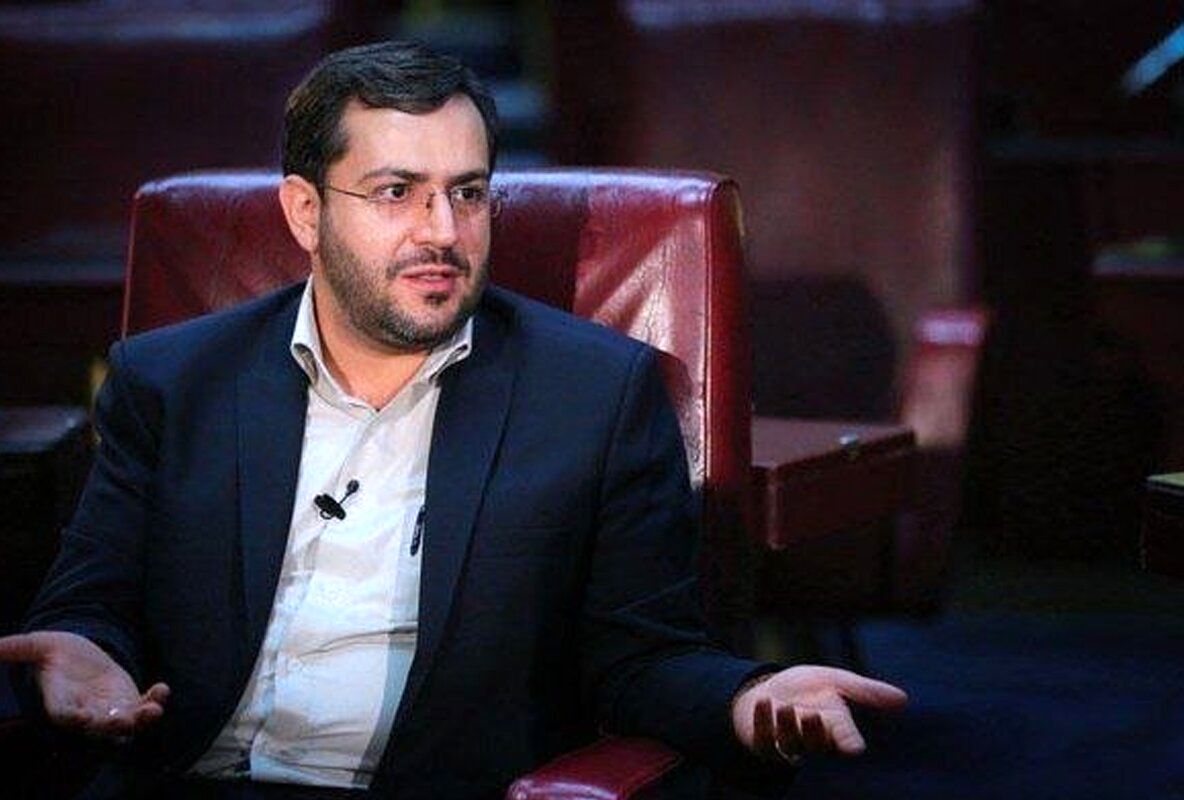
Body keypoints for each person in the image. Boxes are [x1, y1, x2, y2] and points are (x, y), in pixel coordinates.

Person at [0, 41, 906, 798]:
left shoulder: (595, 396)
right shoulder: (172, 380)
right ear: (306, 211)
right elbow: (90, 601)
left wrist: (747, 697)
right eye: (397, 191)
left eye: (468, 192)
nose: (442, 229)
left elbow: (642, 660)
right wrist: (77, 650)